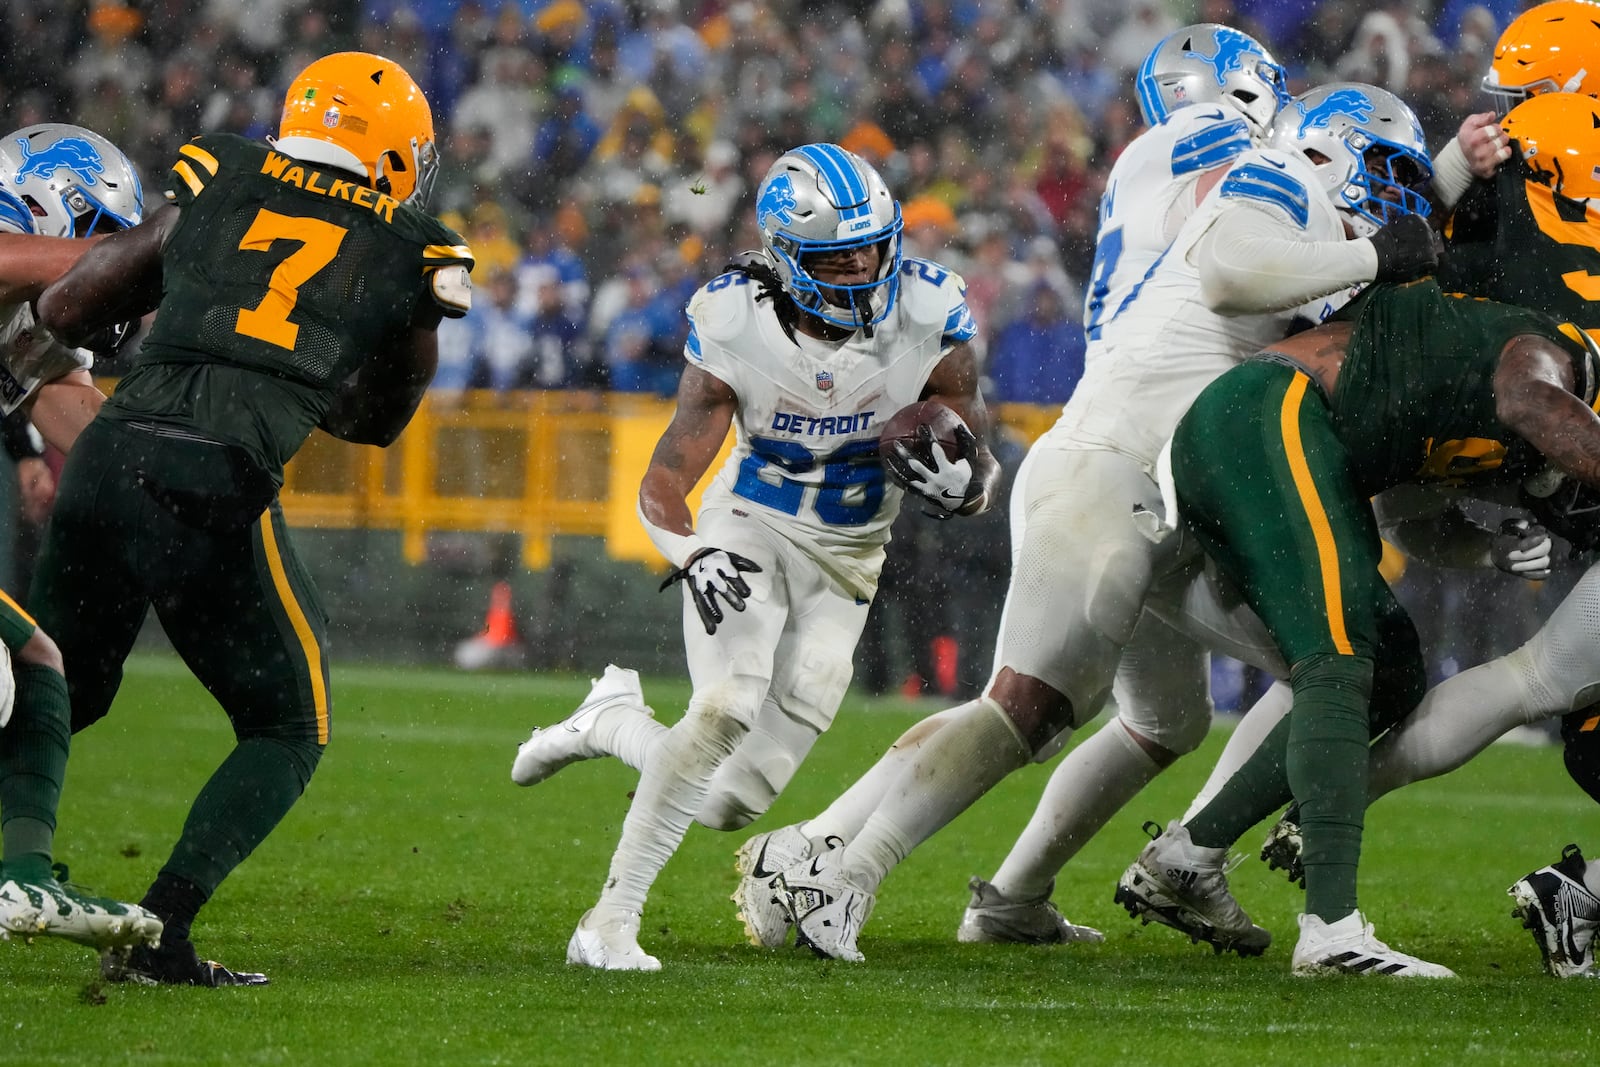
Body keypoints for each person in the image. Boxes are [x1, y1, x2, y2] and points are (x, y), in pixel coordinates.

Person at [740, 74, 1444, 963]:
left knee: (1227, 700)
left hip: (1172, 502)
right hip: (1113, 473)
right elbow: (1232, 275)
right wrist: (1378, 256)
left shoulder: (1317, 232)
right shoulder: (1278, 178)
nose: (1398, 199)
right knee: (1028, 707)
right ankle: (838, 869)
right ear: (1327, 145)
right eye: (1388, 170)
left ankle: (1017, 893)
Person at [16, 51, 474, 986]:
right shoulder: (417, 248)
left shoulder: (223, 168)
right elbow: (377, 421)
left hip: (108, 452)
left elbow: (68, 305)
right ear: (394, 154)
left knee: (57, 690)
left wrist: (194, 297)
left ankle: (35, 863)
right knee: (287, 722)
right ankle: (163, 932)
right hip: (216, 470)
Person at [510, 142, 1000, 971]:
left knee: (730, 799)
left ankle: (610, 720)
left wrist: (971, 486)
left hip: (851, 560)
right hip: (752, 524)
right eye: (836, 254)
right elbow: (667, 474)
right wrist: (693, 551)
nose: (862, 266)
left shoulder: (931, 308)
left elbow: (970, 440)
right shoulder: (734, 319)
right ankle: (608, 921)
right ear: (788, 258)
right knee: (727, 703)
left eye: (873, 245)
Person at [1120, 269, 1600, 978]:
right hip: (1266, 411)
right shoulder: (1553, 356)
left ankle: (1188, 855)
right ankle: (1332, 930)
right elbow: (1530, 398)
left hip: (1281, 443)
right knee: (1337, 656)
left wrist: (1491, 544)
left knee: (1395, 668)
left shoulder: (1491, 413)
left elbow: (1415, 520)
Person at [0, 122, 163, 954]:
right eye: (100, 236)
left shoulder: (31, 333)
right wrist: (149, 256)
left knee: (34, 667)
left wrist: (186, 456)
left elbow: (102, 436)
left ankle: (21, 875)